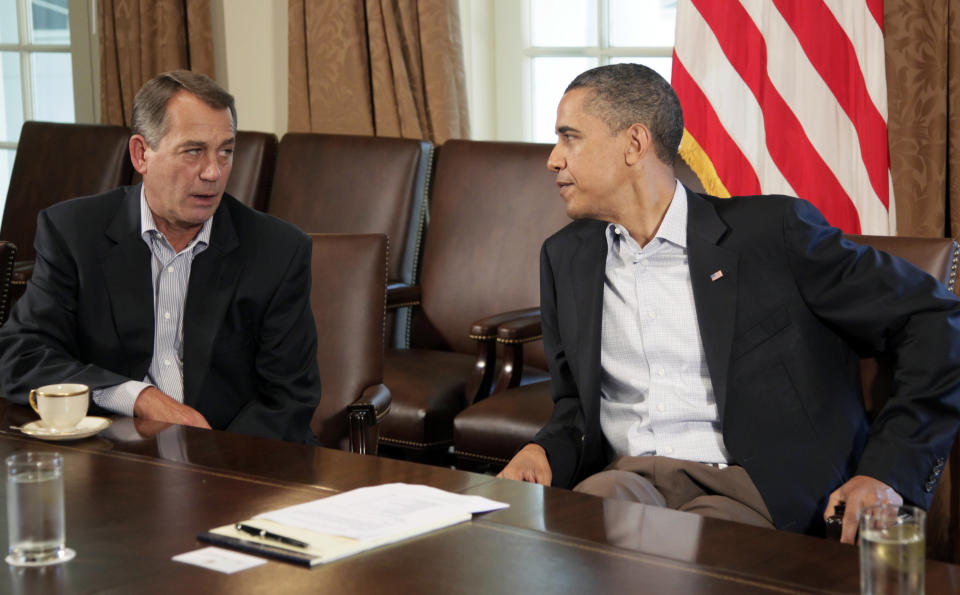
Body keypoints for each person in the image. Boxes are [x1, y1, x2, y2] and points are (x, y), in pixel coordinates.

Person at [498, 63, 960, 543]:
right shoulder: (566, 257)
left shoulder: (773, 234)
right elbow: (574, 407)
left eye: (570, 137)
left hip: (753, 490)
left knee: (696, 570)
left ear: (634, 144)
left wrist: (887, 473)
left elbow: (936, 319)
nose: (554, 158)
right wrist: (543, 451)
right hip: (625, 479)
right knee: (566, 551)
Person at [0, 70, 322, 443]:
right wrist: (137, 396)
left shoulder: (277, 249)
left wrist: (210, 465)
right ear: (141, 154)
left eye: (226, 151)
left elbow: (290, 399)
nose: (213, 172)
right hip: (115, 460)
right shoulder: (74, 233)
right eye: (194, 151)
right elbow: (19, 354)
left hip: (236, 459)